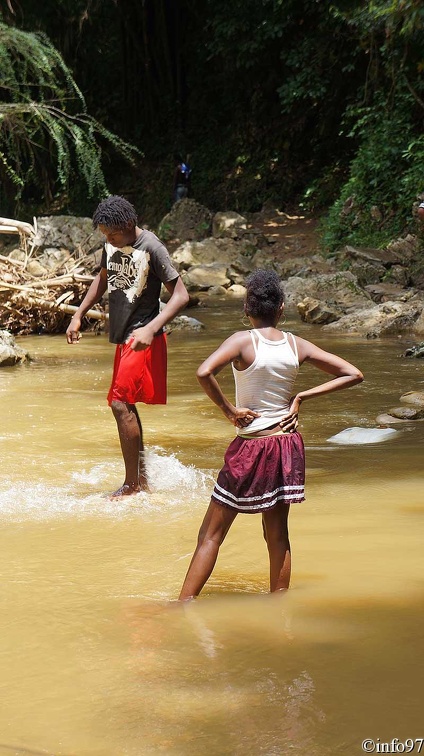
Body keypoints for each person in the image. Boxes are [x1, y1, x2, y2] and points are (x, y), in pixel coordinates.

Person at [178, 269, 363, 600]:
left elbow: (204, 372)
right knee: (277, 534)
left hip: (252, 445)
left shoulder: (241, 341)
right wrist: (301, 397)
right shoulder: (297, 344)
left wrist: (229, 411)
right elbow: (353, 374)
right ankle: (278, 605)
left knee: (211, 534)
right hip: (286, 443)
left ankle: (182, 605)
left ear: (247, 310)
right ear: (280, 309)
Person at [66, 195, 189, 497]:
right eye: (105, 235)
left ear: (129, 225)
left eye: (112, 234)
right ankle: (141, 480)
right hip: (123, 337)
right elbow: (103, 279)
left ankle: (131, 485)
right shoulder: (111, 244)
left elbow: (181, 295)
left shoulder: (152, 247)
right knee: (125, 404)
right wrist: (78, 315)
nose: (108, 240)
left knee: (119, 404)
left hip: (143, 334)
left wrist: (152, 327)